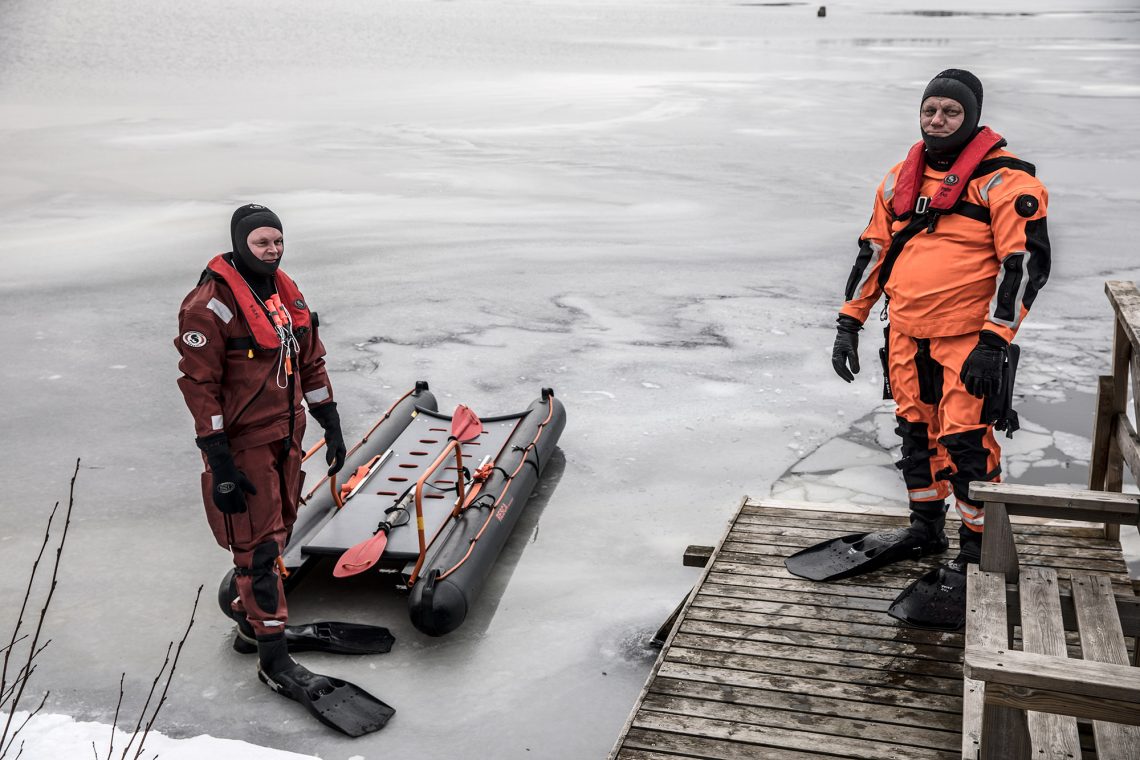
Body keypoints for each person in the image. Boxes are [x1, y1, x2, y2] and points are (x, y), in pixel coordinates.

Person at [785, 70, 1051, 630]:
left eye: (950, 112)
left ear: (971, 116)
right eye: (930, 110)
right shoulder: (897, 181)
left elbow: (1024, 267)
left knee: (967, 446)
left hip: (968, 341)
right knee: (915, 432)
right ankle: (925, 530)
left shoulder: (1005, 183)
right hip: (906, 332)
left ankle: (977, 551)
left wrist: (995, 339)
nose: (937, 120)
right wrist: (848, 323)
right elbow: (873, 253)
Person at [175, 204, 394, 735]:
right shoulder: (210, 307)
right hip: (243, 444)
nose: (272, 250)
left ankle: (257, 629)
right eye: (262, 243)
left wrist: (331, 419)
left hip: (287, 435)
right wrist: (220, 460)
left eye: (278, 241)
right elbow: (199, 386)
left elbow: (310, 359)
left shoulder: (282, 292)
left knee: (280, 530)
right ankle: (273, 660)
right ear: (240, 243)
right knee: (258, 547)